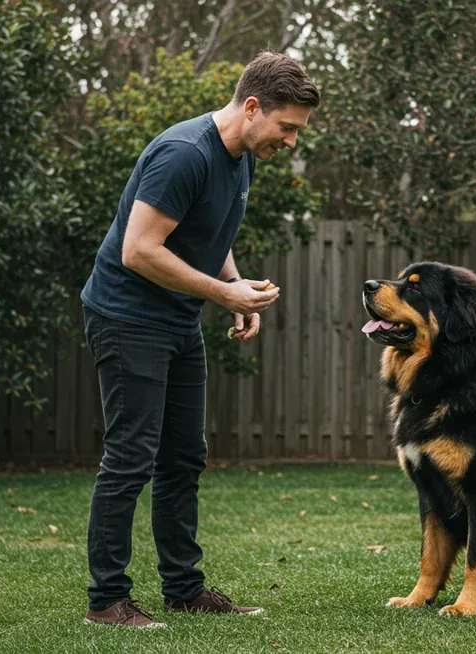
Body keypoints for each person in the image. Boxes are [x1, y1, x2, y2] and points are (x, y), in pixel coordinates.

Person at [79, 51, 320, 629]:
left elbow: (211, 231)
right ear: (252, 107)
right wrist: (222, 293)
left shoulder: (243, 158)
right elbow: (139, 250)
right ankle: (106, 602)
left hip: (178, 321)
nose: (291, 142)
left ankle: (183, 590)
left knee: (184, 458)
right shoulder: (184, 153)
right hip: (127, 317)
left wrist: (234, 286)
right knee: (130, 458)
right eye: (287, 127)